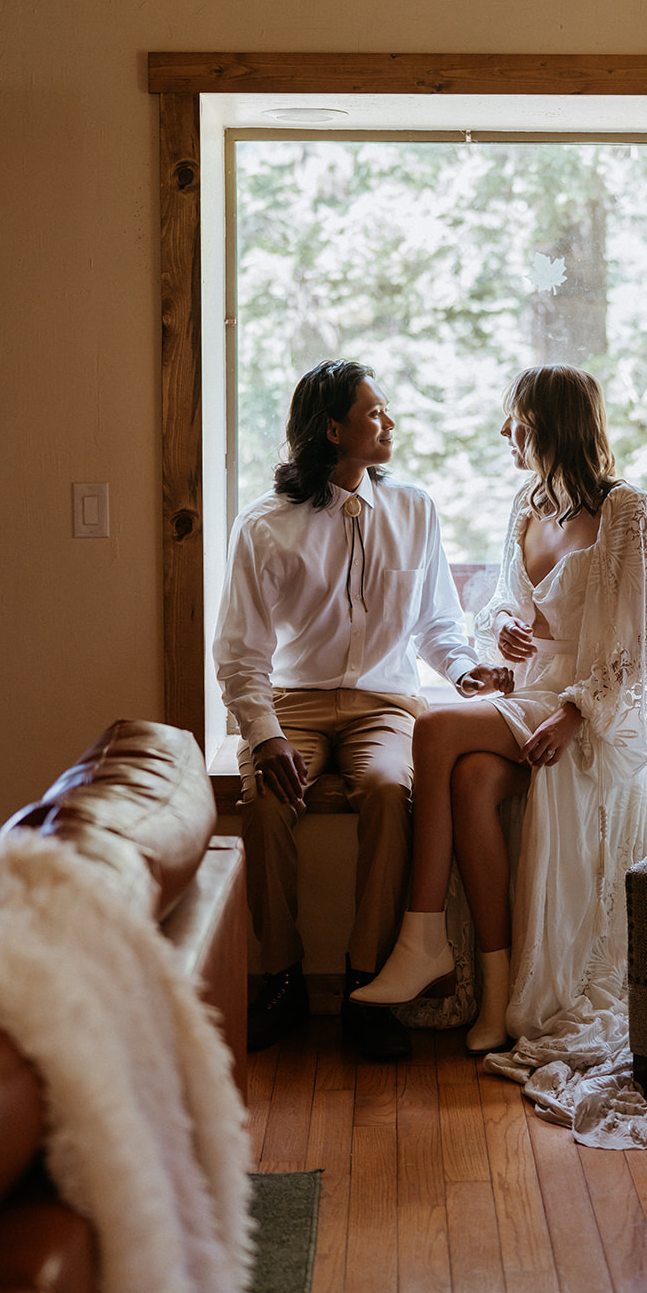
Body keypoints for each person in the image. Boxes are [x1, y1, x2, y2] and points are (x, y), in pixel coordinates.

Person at [351, 365, 647, 1148]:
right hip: (529, 696)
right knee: (467, 780)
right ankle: (496, 991)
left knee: (435, 731)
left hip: (583, 715)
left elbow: (644, 650)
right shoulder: (525, 508)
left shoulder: (626, 512)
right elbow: (506, 602)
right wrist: (502, 630)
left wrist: (577, 711)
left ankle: (421, 935)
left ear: (552, 425)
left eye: (516, 421)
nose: (506, 434)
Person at [213, 359, 510, 1062]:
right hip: (296, 703)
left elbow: (439, 623)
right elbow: (238, 652)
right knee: (262, 803)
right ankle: (281, 976)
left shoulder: (414, 508)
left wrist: (467, 673)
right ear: (332, 429)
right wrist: (264, 736)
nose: (390, 423)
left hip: (384, 702)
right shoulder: (265, 526)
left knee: (387, 790)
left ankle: (366, 982)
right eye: (374, 412)